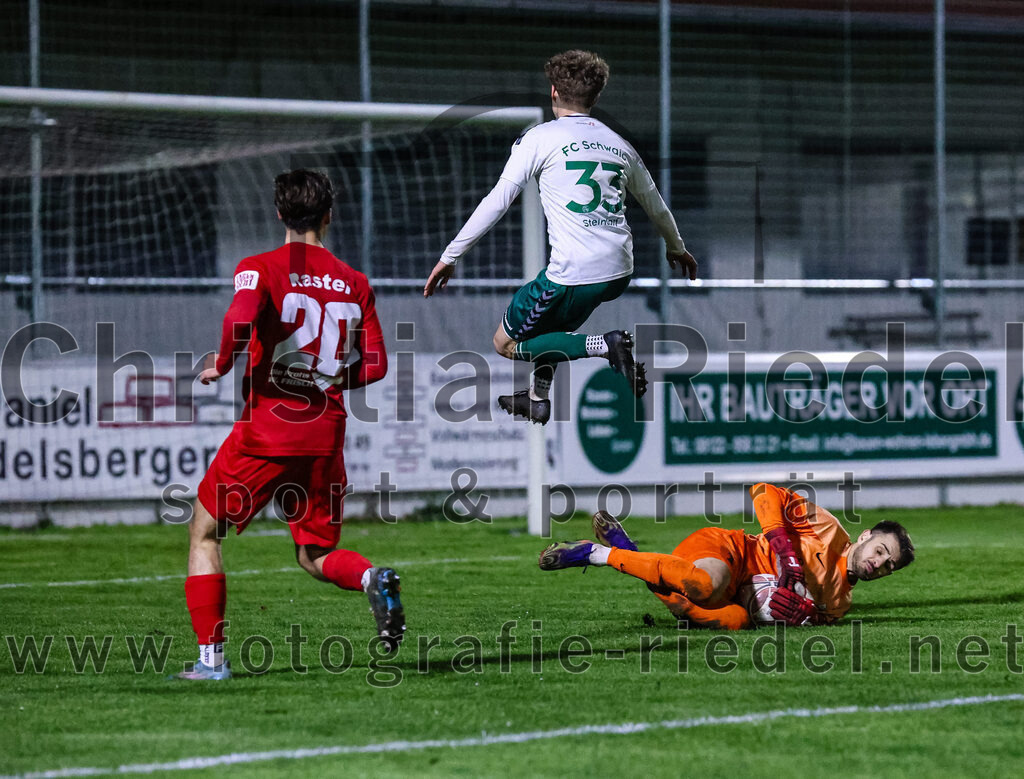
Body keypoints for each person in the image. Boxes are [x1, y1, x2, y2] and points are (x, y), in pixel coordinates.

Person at [177, 169, 403, 681]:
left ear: (279, 213)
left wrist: (223, 360)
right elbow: (377, 365)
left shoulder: (259, 268)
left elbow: (240, 316)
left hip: (268, 432)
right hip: (325, 434)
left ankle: (210, 662)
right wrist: (325, 380)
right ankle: (371, 576)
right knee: (315, 551)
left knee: (205, 531)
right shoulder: (356, 283)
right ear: (328, 216)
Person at [424, 49, 697, 425]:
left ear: (553, 92)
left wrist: (451, 255)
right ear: (595, 97)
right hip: (618, 271)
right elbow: (656, 206)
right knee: (552, 330)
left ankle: (606, 345)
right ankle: (537, 398)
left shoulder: (539, 138)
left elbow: (498, 200)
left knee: (504, 344)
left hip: (574, 271)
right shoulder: (619, 144)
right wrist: (677, 248)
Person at [539, 483, 915, 629]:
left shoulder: (840, 604)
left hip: (741, 597)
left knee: (724, 620)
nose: (879, 563)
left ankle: (627, 553)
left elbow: (810, 619)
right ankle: (595, 554)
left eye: (889, 565)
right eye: (881, 550)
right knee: (701, 585)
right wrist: (783, 548)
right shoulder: (828, 528)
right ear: (865, 536)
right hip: (733, 551)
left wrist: (806, 616)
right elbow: (765, 492)